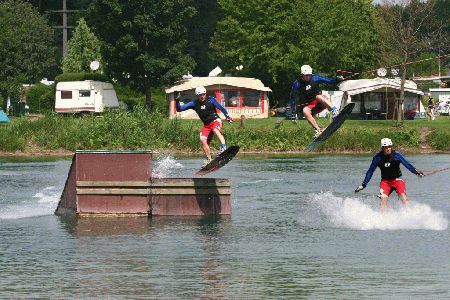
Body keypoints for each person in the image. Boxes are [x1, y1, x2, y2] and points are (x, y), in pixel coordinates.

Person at [355, 138, 424, 210]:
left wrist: (417, 172)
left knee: (403, 197)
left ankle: (410, 214)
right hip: (385, 182)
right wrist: (364, 184)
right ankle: (383, 218)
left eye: (389, 146)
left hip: (397, 180)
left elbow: (407, 165)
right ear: (382, 148)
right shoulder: (377, 158)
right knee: (383, 200)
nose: (388, 149)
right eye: (386, 147)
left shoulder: (396, 155)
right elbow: (370, 171)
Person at [175, 86, 233, 167]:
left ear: (205, 93)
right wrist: (177, 100)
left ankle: (223, 147)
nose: (202, 96)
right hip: (206, 126)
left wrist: (227, 116)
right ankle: (209, 160)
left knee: (216, 130)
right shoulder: (194, 103)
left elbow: (221, 108)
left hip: (216, 121)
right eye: (200, 95)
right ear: (197, 95)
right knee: (202, 139)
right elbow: (179, 109)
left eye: (203, 94)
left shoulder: (211, 99)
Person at [289, 65, 344, 138]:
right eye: (306, 75)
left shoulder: (316, 77)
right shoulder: (297, 84)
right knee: (305, 110)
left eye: (309, 75)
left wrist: (337, 79)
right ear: (302, 75)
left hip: (320, 102)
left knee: (318, 96)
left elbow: (329, 81)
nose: (308, 77)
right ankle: (318, 130)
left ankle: (334, 111)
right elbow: (292, 98)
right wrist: (294, 112)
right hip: (311, 105)